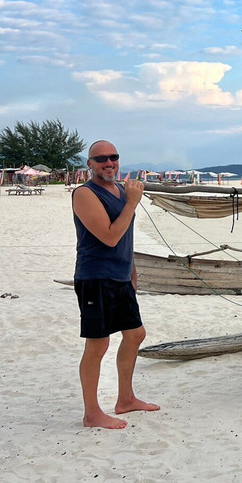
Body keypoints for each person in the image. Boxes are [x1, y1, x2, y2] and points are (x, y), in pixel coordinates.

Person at [72, 140, 159, 429]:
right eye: (101, 159)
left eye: (113, 157)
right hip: (95, 277)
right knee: (98, 345)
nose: (108, 163)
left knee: (135, 334)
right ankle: (91, 413)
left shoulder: (121, 191)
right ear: (90, 164)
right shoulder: (85, 194)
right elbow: (109, 236)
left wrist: (132, 271)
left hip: (120, 277)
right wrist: (133, 203)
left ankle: (126, 398)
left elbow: (124, 238)